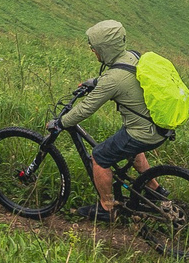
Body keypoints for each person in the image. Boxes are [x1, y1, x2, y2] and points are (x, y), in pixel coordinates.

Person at [54, 19, 161, 221]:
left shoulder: (112, 80)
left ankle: (107, 208)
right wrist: (94, 82)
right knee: (133, 151)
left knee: (100, 157)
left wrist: (60, 123)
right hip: (157, 127)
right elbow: (123, 77)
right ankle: (155, 191)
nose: (93, 52)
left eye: (95, 48)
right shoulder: (133, 56)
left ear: (105, 49)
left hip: (142, 132)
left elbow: (85, 109)